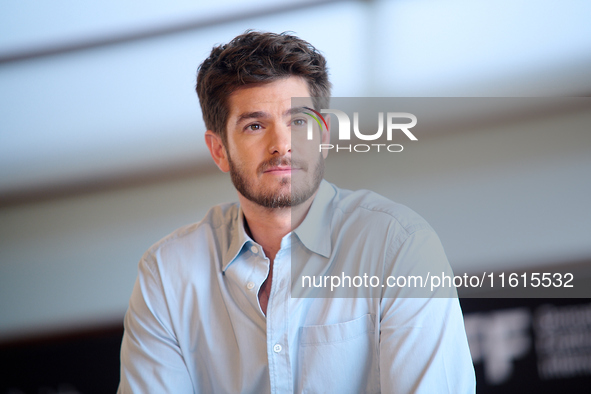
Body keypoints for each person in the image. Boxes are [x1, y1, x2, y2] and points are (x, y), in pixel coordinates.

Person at [118, 31, 476, 393]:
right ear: (219, 150)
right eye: (255, 126)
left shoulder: (398, 247)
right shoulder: (167, 275)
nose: (281, 145)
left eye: (299, 121)